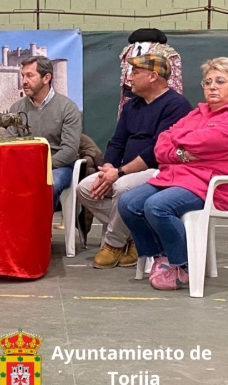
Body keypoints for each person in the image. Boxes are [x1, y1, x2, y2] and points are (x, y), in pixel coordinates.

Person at [118, 57, 228, 291]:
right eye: (207, 82)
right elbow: (161, 145)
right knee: (128, 202)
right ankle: (162, 256)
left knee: (157, 206)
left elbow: (209, 140)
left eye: (220, 81)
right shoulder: (197, 113)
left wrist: (176, 144)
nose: (212, 87)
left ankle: (183, 264)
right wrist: (184, 152)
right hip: (175, 178)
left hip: (210, 186)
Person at [78, 54, 192, 269]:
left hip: (159, 172)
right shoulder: (132, 106)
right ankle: (132, 234)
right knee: (84, 188)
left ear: (153, 76)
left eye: (136, 73)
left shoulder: (177, 106)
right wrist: (109, 166)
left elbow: (156, 152)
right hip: (124, 170)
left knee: (122, 188)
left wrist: (119, 173)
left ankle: (112, 243)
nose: (129, 78)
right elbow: (117, 141)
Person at [4, 56, 82, 212]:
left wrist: (40, 167)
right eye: (23, 76)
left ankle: (39, 233)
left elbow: (69, 151)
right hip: (24, 167)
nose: (24, 81)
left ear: (46, 78)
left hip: (58, 166)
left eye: (30, 75)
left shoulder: (67, 108)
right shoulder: (16, 108)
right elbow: (9, 143)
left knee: (47, 185)